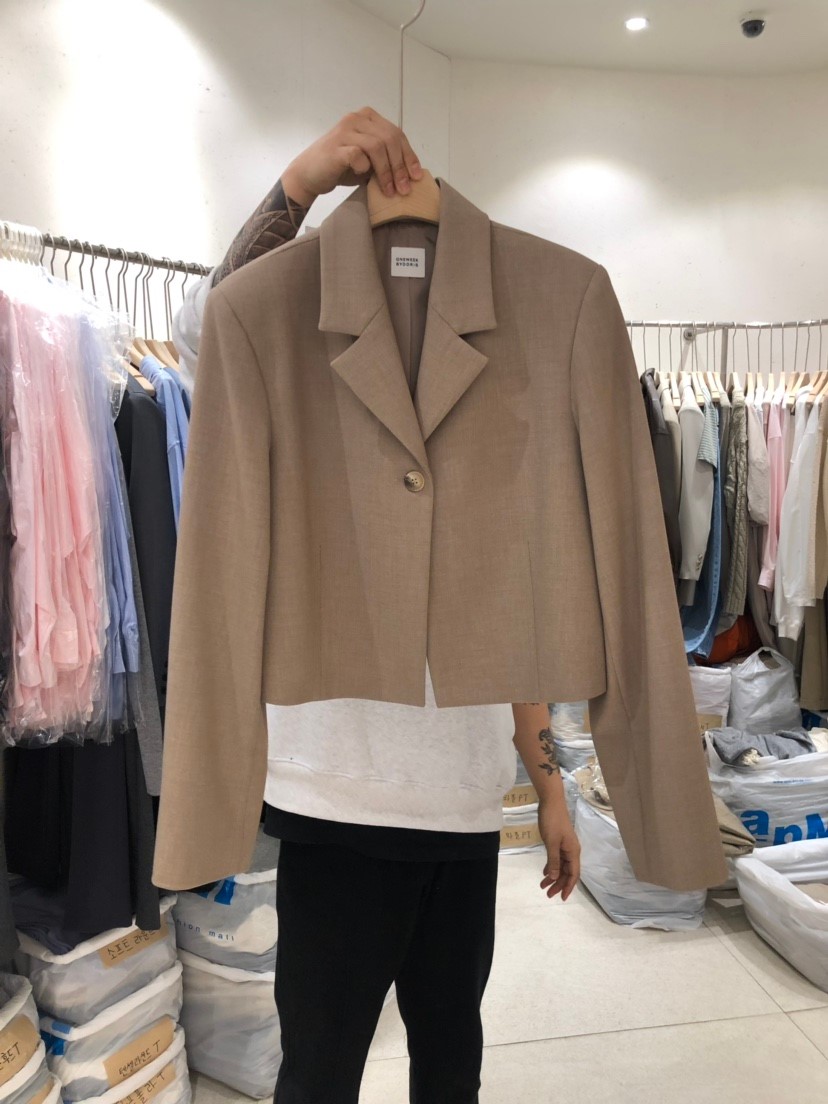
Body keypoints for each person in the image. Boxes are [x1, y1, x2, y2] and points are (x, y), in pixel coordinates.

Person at [172, 105, 580, 1103]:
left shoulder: (499, 371)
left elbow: (514, 604)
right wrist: (300, 186)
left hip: (464, 805)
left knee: (451, 1062)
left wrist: (550, 781)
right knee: (320, 1071)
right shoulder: (296, 344)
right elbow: (215, 325)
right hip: (335, 803)